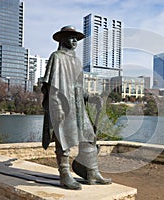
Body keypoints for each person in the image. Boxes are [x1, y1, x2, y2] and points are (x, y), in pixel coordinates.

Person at [41, 25, 111, 190]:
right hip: (63, 105)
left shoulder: (77, 61)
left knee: (89, 137)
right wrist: (56, 108)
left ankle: (92, 171)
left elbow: (79, 88)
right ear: (63, 39)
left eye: (76, 38)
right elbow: (51, 86)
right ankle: (64, 174)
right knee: (63, 138)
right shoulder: (56, 57)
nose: (74, 41)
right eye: (71, 37)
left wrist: (92, 97)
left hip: (79, 107)